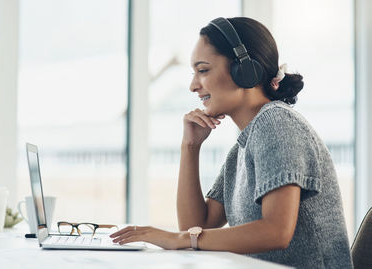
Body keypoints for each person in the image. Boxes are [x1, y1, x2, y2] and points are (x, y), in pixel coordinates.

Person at [110, 17, 353, 268]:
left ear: (244, 71)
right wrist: (190, 147)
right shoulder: (243, 147)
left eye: (203, 70)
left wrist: (178, 238)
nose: (193, 86)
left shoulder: (277, 123)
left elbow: (276, 231)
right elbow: (198, 226)